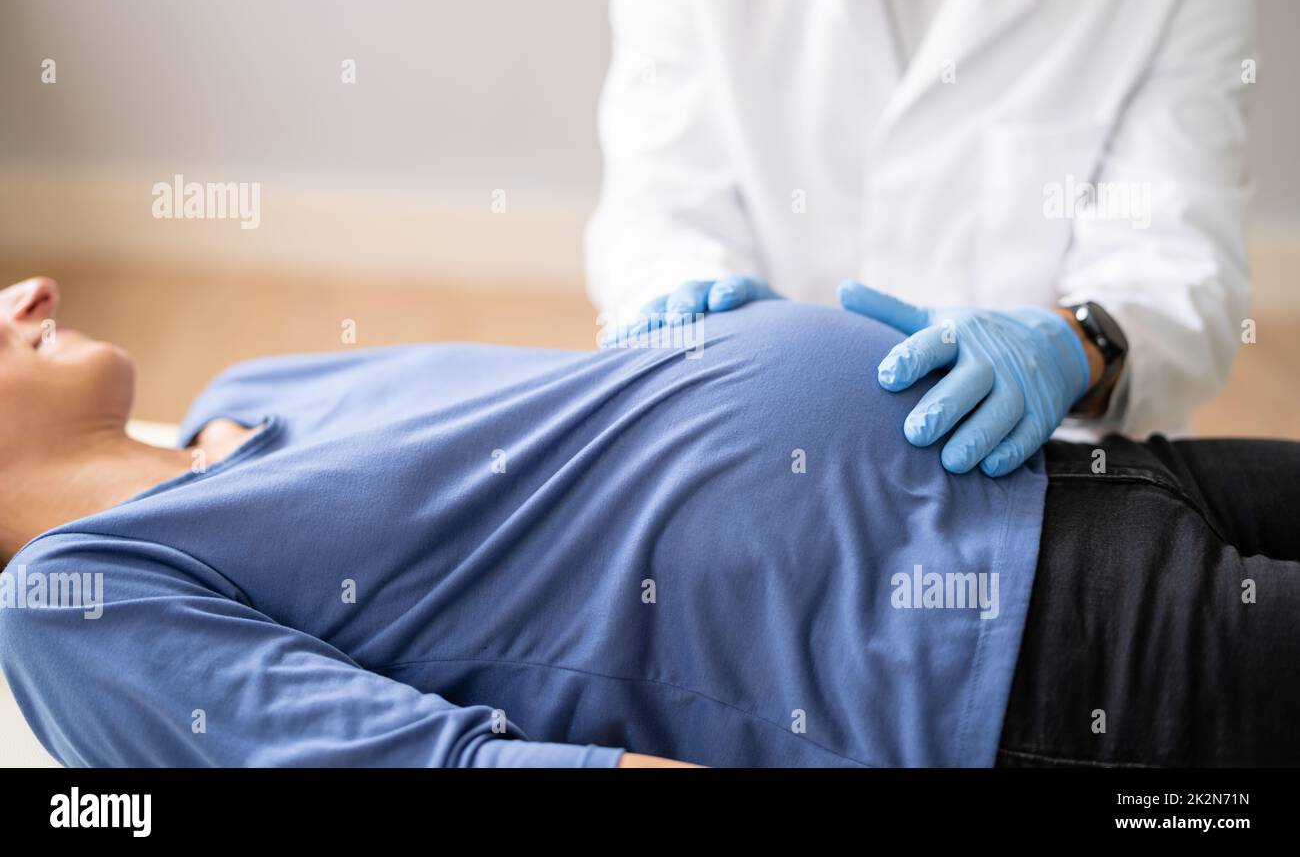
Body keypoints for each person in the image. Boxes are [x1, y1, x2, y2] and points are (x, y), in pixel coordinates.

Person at [1, 276, 1296, 767]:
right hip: (1029, 654)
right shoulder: (72, 595)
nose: (29, 285)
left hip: (1069, 466)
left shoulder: (252, 392)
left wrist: (699, 342)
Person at [585, 0, 1255, 476]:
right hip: (758, 448)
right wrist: (697, 314)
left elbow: (1174, 266)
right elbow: (658, 217)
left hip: (1053, 471)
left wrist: (1069, 349)